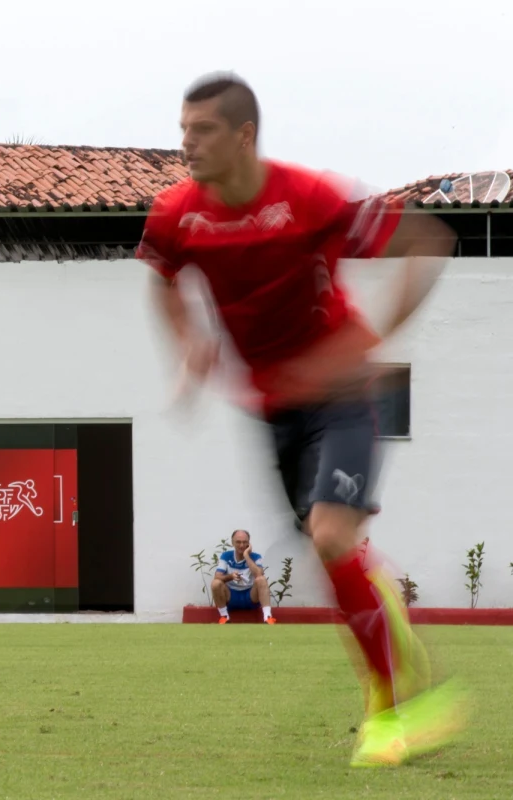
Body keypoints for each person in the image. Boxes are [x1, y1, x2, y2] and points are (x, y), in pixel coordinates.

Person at [138, 73, 463, 767]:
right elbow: (163, 281)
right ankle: (387, 615)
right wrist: (189, 343)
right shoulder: (176, 214)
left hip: (343, 398)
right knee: (332, 551)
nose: (185, 143)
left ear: (244, 135)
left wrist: (365, 343)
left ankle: (387, 713)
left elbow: (428, 242)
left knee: (330, 535)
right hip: (270, 410)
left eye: (201, 131)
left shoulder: (309, 197)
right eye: (183, 129)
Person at [211, 530, 275, 624]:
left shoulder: (256, 556)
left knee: (261, 579)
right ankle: (224, 617)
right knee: (215, 583)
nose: (241, 545)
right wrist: (231, 577)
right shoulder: (226, 556)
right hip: (231, 596)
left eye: (244, 542)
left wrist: (246, 555)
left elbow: (259, 574)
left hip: (250, 596)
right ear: (232, 543)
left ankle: (267, 617)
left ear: (248, 543)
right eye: (238, 542)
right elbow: (217, 576)